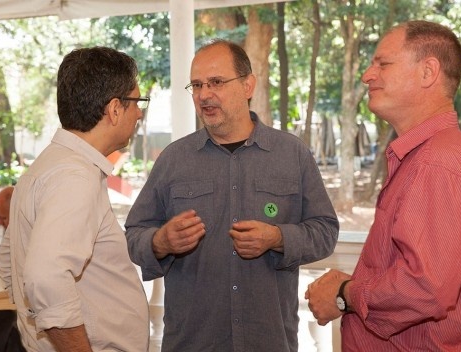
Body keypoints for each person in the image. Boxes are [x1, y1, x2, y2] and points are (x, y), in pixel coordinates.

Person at [125, 39, 339, 352]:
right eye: (196, 85)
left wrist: (277, 237)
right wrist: (161, 242)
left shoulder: (292, 154)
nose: (204, 95)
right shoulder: (173, 160)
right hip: (193, 343)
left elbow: (325, 231)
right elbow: (134, 235)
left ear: (248, 85)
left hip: (269, 341)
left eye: (216, 82)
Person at [305, 20, 461, 351]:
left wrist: (344, 294)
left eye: (382, 63)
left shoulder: (438, 164)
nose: (367, 75)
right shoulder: (423, 157)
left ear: (428, 73)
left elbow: (424, 288)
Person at [0, 47, 150, 351]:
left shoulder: (50, 165)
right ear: (115, 109)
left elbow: (8, 262)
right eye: (137, 102)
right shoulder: (74, 175)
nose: (140, 112)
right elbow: (44, 278)